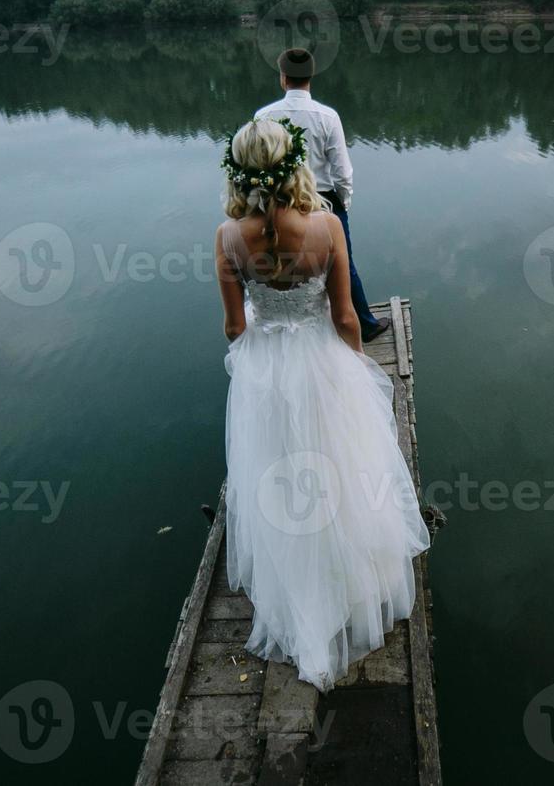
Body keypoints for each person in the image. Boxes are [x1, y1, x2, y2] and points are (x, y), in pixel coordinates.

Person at [214, 118, 429, 692]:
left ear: (239, 174)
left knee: (278, 474)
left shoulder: (228, 237)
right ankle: (350, 580)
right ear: (296, 165)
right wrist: (355, 369)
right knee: (342, 467)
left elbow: (235, 329)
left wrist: (263, 327)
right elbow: (345, 317)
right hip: (320, 358)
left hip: (267, 367)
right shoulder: (328, 227)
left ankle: (296, 591)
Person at [255, 48, 390, 343]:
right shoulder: (327, 116)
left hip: (278, 202)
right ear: (310, 77)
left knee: (282, 260)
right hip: (323, 201)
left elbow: (258, 162)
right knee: (343, 262)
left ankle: (289, 328)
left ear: (283, 77)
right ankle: (364, 325)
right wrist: (343, 203)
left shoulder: (263, 116)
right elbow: (342, 170)